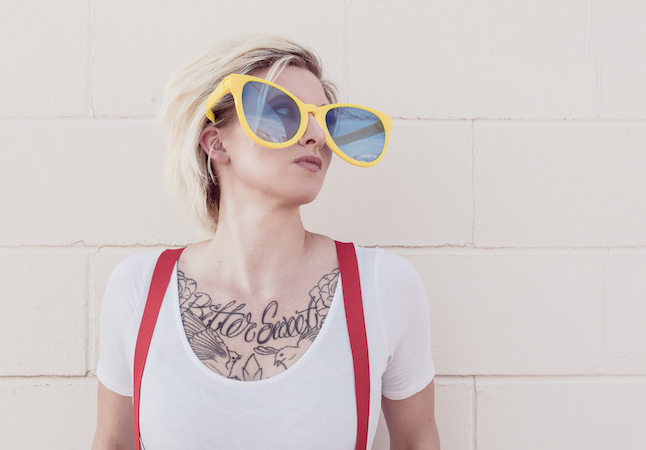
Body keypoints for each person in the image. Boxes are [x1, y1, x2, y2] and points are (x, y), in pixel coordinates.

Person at [91, 35, 439, 449]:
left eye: (324, 120)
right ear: (217, 143)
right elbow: (111, 442)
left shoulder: (382, 286)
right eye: (281, 112)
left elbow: (417, 442)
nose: (315, 135)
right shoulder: (138, 288)